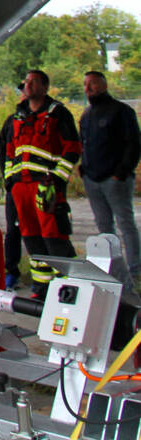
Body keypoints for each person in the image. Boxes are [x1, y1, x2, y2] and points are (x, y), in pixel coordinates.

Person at [2, 69, 80, 301]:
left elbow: (73, 148)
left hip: (46, 187)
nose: (28, 85)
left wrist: (57, 179)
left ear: (45, 87)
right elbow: (8, 152)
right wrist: (10, 181)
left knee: (54, 236)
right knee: (31, 237)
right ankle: (41, 287)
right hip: (20, 188)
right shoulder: (17, 118)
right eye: (26, 82)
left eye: (34, 82)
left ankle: (70, 286)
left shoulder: (58, 114)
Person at [79, 70, 141, 287]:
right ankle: (114, 273)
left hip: (114, 180)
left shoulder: (121, 111)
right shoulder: (86, 114)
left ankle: (135, 271)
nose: (88, 89)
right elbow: (84, 144)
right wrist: (84, 170)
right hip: (92, 180)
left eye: (92, 84)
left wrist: (120, 173)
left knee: (125, 224)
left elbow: (133, 144)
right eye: (86, 84)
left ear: (103, 85)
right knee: (104, 227)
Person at [0, 86, 24, 291]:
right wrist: (9, 180)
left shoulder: (53, 117)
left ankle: (52, 278)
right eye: (23, 90)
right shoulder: (13, 121)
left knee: (45, 232)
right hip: (16, 187)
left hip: (43, 186)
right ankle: (11, 272)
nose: (24, 94)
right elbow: (3, 150)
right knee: (13, 230)